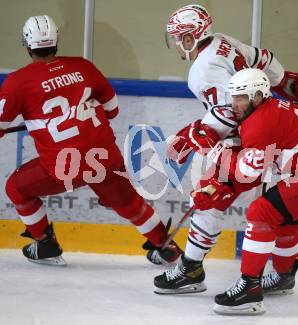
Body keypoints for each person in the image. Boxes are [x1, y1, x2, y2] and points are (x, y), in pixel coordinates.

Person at [154, 3, 298, 295]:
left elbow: (233, 110)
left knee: (209, 197)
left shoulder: (201, 70)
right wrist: (282, 79)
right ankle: (286, 265)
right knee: (276, 207)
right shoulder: (223, 41)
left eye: (179, 37)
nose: (176, 43)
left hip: (246, 140)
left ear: (190, 37)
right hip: (268, 130)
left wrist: (203, 133)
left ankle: (190, 270)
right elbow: (263, 59)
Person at [0, 15, 182, 266]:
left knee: (16, 188)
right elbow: (112, 109)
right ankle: (167, 248)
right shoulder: (83, 66)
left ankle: (45, 245)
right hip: (105, 157)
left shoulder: (17, 82)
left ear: (27, 44)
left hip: (65, 167)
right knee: (131, 204)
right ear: (56, 42)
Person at [182, 68, 298, 314]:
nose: (235, 104)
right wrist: (219, 182)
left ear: (256, 96)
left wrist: (213, 150)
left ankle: (249, 290)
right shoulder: (270, 109)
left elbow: (249, 172)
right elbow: (250, 167)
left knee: (261, 212)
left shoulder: (259, 123)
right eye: (233, 97)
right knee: (283, 218)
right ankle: (284, 277)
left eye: (240, 97)